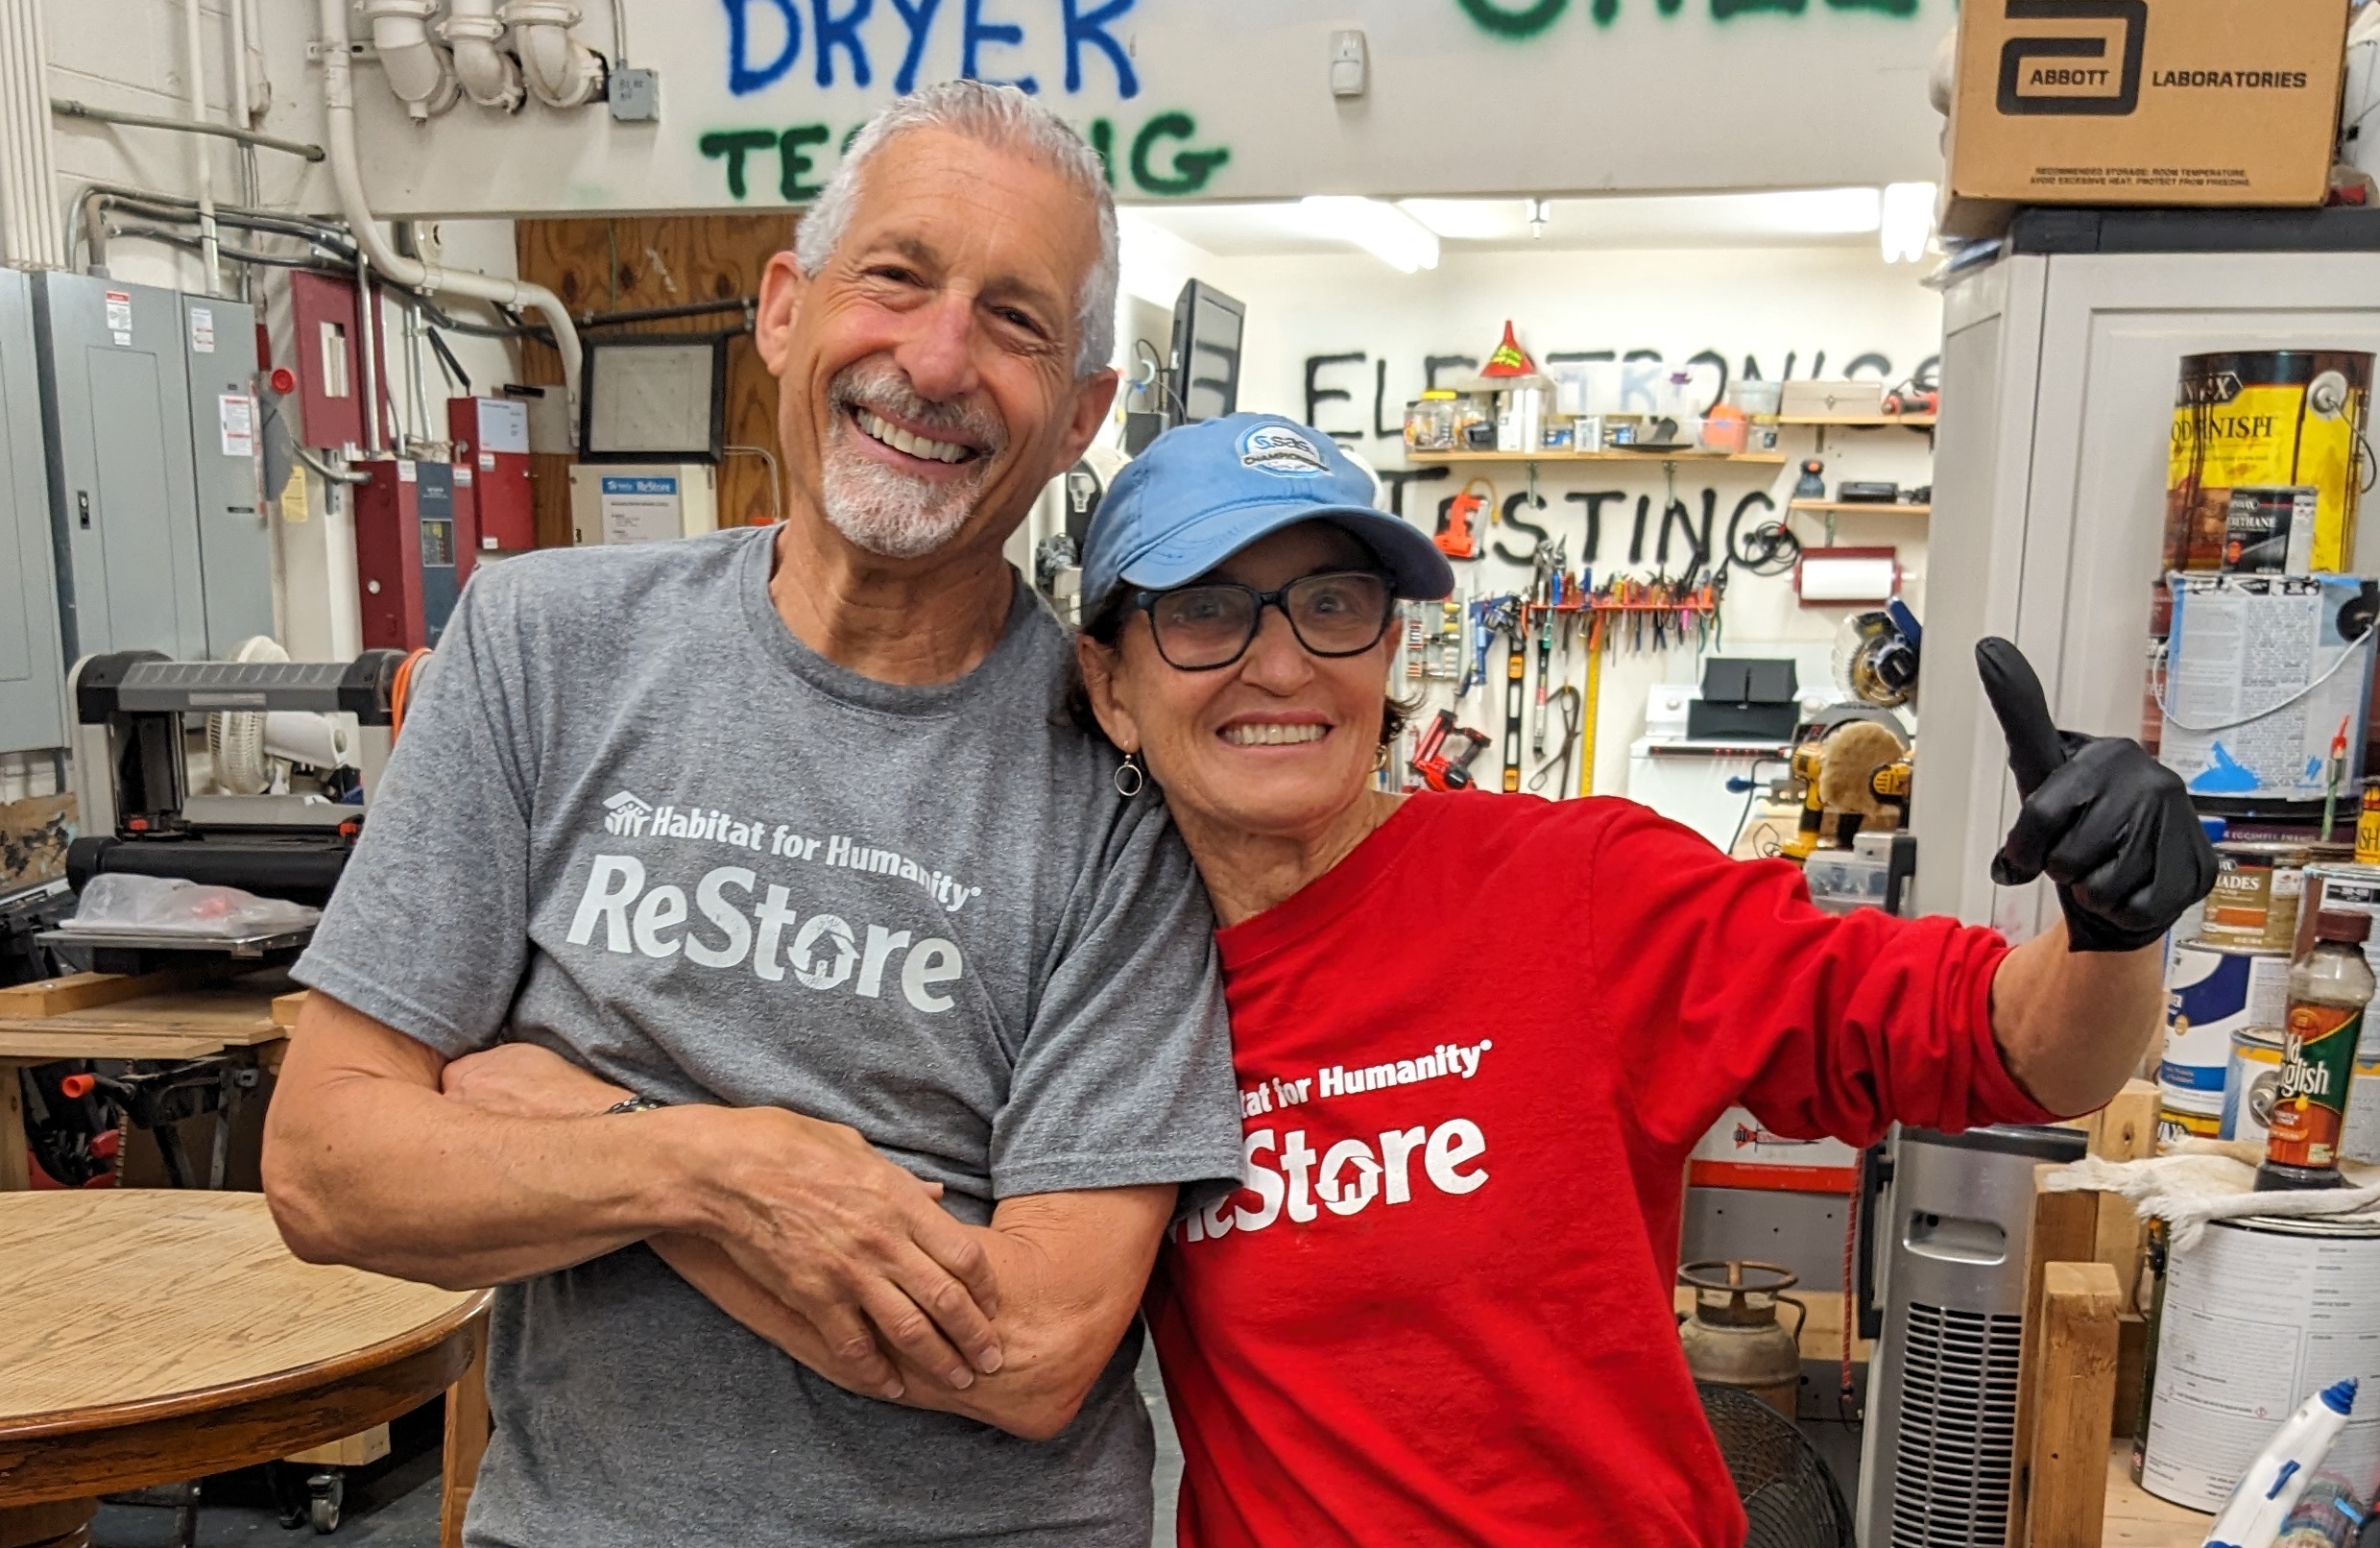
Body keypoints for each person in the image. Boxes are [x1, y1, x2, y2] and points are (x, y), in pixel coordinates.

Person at [259, 83, 1246, 1548]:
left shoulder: (1115, 772)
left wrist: (570, 1119)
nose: (934, 360)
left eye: (1015, 322)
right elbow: (328, 1169)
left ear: (1080, 417)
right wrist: (711, 1169)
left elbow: (1037, 1350)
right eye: (895, 279)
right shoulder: (541, 646)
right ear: (786, 310)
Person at [1062, 413, 2214, 1547]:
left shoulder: (1576, 889)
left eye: (1332, 605)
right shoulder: (1100, 989)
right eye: (1204, 610)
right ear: (1110, 685)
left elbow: (2015, 1051)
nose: (1280, 663)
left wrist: (2109, 929)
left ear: (1386, 649)